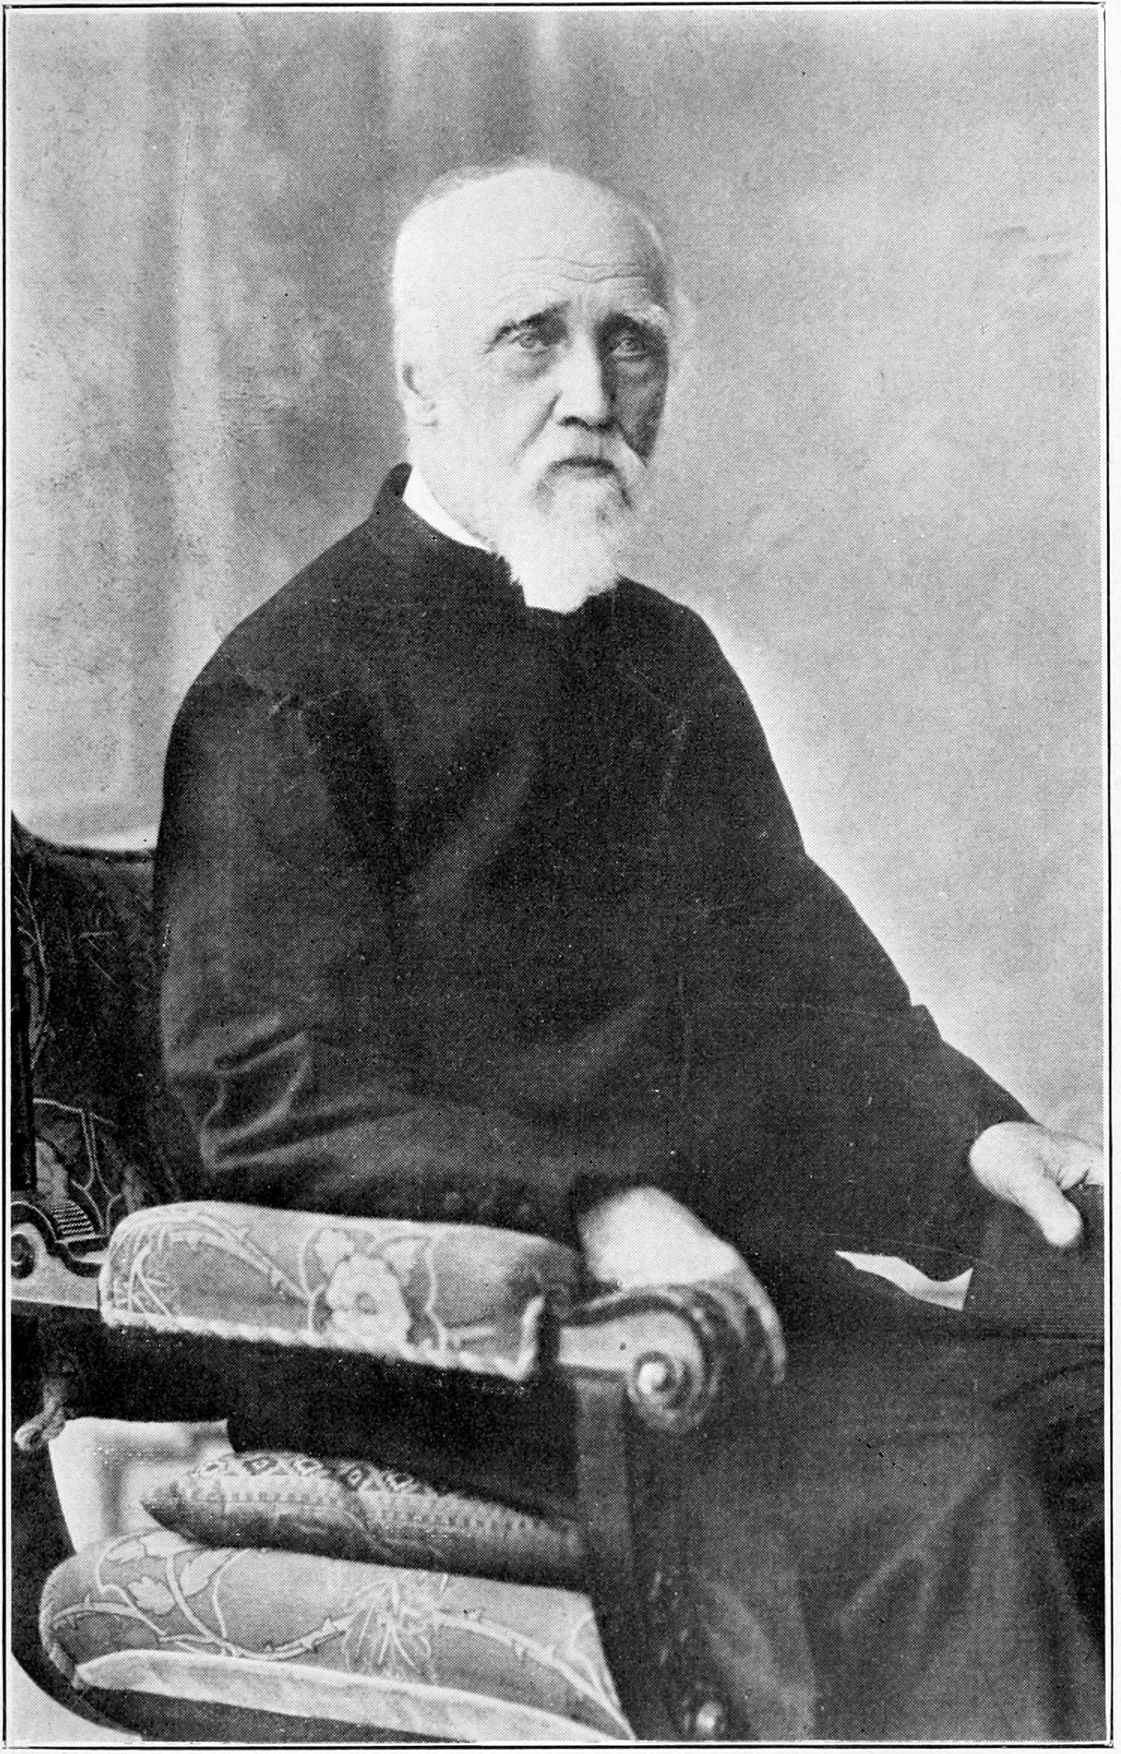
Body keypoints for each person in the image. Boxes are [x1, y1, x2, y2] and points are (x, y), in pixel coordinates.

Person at [154, 162, 1103, 1739]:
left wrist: (967, 1142)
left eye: (632, 342)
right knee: (950, 1490)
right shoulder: (288, 693)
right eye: (532, 337)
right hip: (473, 1351)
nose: (594, 393)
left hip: (728, 1317)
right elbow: (268, 1098)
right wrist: (593, 1204)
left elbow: (803, 1000)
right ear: (420, 381)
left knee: (1087, 1407)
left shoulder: (665, 658)